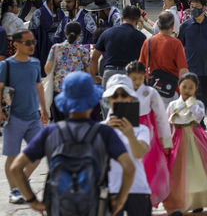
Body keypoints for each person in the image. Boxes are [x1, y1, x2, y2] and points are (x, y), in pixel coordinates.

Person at [8, 71, 135, 214]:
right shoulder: (104, 133)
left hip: (59, 208)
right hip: (95, 207)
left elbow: (16, 168)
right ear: (92, 101)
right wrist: (120, 200)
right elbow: (129, 168)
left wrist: (32, 201)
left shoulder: (50, 132)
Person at [164, 73, 207, 215]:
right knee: (179, 171)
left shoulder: (197, 104)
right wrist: (166, 143)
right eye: (184, 87)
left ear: (196, 88)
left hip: (195, 139)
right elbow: (167, 125)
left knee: (198, 170)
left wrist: (190, 104)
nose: (187, 90)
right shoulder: (172, 105)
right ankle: (179, 200)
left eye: (191, 87)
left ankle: (198, 200)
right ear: (179, 87)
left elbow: (198, 116)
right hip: (177, 139)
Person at [0, 30, 49, 204]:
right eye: (27, 43)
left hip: (33, 116)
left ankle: (22, 181)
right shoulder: (6, 65)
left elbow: (39, 87)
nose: (32, 46)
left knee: (39, 151)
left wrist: (44, 109)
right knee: (12, 156)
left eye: (33, 42)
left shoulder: (35, 63)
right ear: (16, 44)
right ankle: (14, 190)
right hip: (13, 117)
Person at [102, 74, 152, 215]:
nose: (119, 99)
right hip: (109, 189)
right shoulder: (100, 129)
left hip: (137, 189)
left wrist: (130, 134)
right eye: (115, 96)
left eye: (124, 95)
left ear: (131, 98)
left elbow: (139, 153)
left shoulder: (142, 129)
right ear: (108, 100)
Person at [125, 62, 173, 205]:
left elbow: (161, 117)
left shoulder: (150, 92)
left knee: (147, 162)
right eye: (133, 78)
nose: (137, 82)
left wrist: (166, 140)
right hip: (127, 128)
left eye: (140, 78)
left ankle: (147, 195)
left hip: (147, 130)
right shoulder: (122, 92)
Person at [140, 11, 189, 106]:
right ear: (173, 25)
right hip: (171, 90)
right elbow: (183, 69)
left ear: (158, 24)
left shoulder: (148, 42)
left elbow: (141, 66)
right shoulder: (176, 43)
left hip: (151, 88)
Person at [45, 21, 91, 121]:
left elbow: (47, 69)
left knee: (59, 125)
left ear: (65, 34)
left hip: (58, 93)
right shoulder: (83, 51)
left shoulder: (56, 48)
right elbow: (89, 73)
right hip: (77, 93)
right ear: (80, 35)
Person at [90, 6, 146, 87]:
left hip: (109, 75)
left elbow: (94, 57)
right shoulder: (141, 37)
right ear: (137, 22)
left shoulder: (107, 33)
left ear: (121, 18)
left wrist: (95, 76)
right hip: (130, 76)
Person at [28, 0, 64, 73]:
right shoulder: (38, 14)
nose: (61, 0)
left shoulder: (60, 13)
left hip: (59, 58)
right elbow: (31, 38)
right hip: (42, 57)